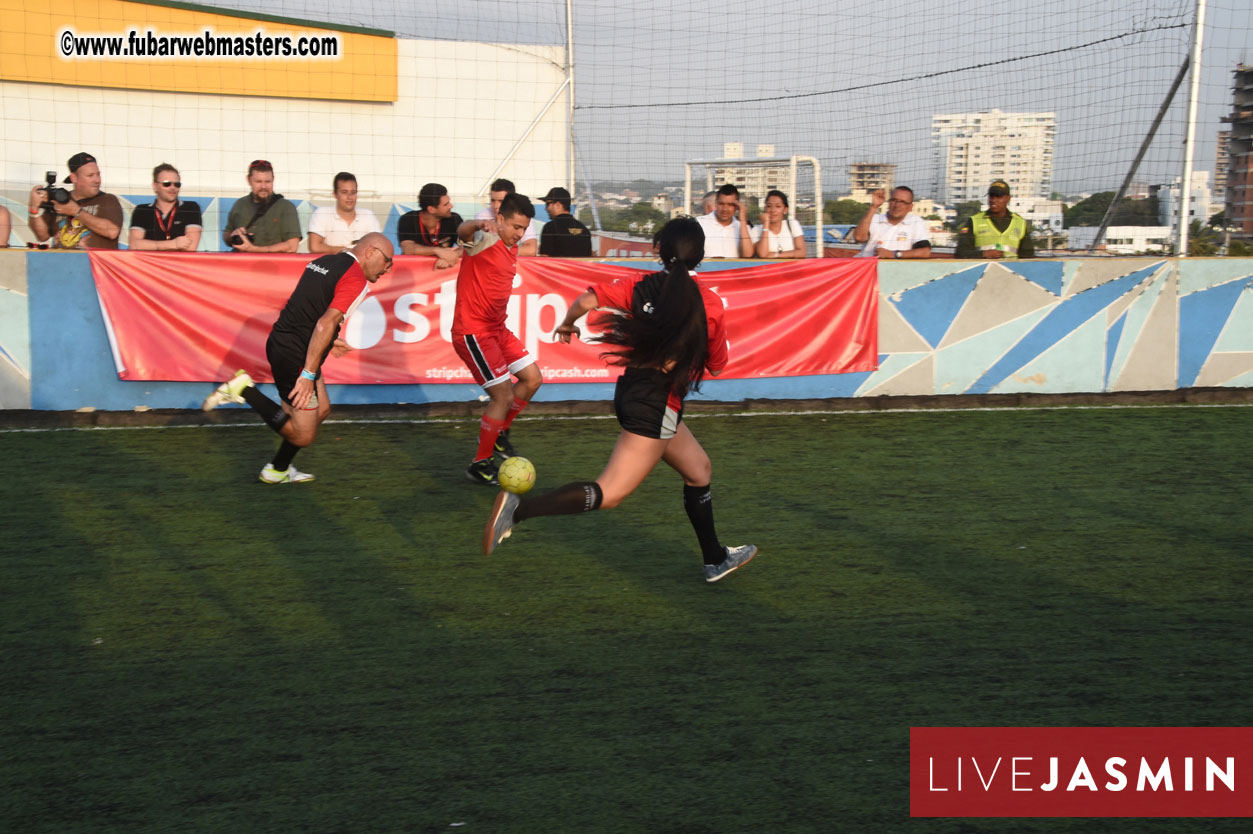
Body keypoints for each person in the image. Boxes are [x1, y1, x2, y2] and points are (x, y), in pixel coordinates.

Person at [484, 217, 757, 583]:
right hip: (656, 405)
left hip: (633, 393)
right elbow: (719, 367)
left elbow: (587, 299)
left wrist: (567, 323)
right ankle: (518, 510)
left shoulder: (641, 285)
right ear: (701, 255)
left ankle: (715, 559)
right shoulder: (710, 304)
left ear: (660, 250)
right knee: (609, 493)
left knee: (699, 470)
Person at [201, 233, 395, 483]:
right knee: (303, 435)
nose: (388, 269)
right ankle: (244, 390)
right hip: (296, 355)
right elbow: (325, 323)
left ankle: (277, 470)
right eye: (387, 261)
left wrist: (329, 342)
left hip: (290, 345)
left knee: (321, 410)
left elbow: (309, 309)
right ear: (370, 252)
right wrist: (307, 374)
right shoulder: (356, 278)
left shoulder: (325, 261)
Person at [455, 192, 543, 485]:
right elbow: (462, 232)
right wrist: (478, 225)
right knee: (503, 396)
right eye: (516, 227)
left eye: (524, 228)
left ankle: (500, 432)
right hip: (474, 332)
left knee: (533, 379)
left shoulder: (510, 245)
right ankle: (480, 464)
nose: (519, 234)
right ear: (500, 219)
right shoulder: (485, 239)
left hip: (497, 330)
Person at [27, 152, 122, 249]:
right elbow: (42, 236)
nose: (97, 180)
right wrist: (33, 209)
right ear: (74, 178)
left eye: (98, 174)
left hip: (92, 259)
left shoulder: (108, 199)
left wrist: (77, 211)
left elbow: (112, 232)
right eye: (90, 175)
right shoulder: (59, 199)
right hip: (59, 258)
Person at [223, 160, 301, 253]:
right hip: (240, 261)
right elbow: (227, 234)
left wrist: (254, 250)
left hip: (271, 262)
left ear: (273, 180)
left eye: (268, 181)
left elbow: (292, 246)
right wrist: (233, 235)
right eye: (258, 182)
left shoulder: (286, 207)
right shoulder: (239, 204)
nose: (263, 186)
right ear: (249, 180)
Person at [127, 164, 203, 251]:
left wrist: (150, 245)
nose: (173, 188)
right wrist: (174, 244)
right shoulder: (142, 210)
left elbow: (190, 247)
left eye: (177, 184)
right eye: (167, 184)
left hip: (178, 260)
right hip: (150, 260)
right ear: (155, 186)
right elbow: (134, 245)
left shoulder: (190, 208)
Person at [956, 180, 1035, 259]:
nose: (993, 200)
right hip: (983, 266)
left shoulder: (1019, 222)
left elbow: (1028, 254)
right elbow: (961, 252)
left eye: (999, 197)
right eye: (991, 196)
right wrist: (983, 254)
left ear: (1008, 199)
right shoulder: (974, 221)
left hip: (1011, 266)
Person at [307, 172, 381, 254]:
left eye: (353, 192)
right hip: (332, 262)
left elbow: (378, 248)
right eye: (344, 192)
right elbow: (314, 247)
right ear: (335, 194)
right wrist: (346, 251)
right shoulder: (322, 213)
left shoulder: (368, 216)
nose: (349, 197)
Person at [396, 182, 464, 268]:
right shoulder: (408, 219)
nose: (451, 206)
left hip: (443, 270)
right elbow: (408, 249)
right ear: (431, 209)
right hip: (414, 270)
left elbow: (468, 247)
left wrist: (451, 255)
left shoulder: (454, 219)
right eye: (446, 204)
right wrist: (437, 250)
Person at [853, 186, 932, 259]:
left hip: (896, 268)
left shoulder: (915, 221)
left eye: (903, 202)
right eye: (894, 200)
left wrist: (894, 254)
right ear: (889, 202)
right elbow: (859, 238)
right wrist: (874, 207)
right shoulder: (874, 218)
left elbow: (925, 252)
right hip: (870, 267)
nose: (897, 205)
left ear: (910, 207)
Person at [475, 178, 538, 256]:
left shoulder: (523, 217)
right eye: (493, 200)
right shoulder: (482, 216)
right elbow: (478, 248)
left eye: (501, 201)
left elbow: (531, 250)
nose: (495, 206)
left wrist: (501, 252)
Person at [696, 184, 753, 258]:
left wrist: (742, 220)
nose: (725, 209)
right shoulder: (699, 223)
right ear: (716, 203)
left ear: (737, 206)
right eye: (721, 204)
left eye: (730, 204)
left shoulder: (743, 228)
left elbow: (747, 255)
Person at [538, 186, 593, 257]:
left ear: (558, 205)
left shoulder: (550, 228)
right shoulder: (584, 229)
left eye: (547, 204)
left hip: (557, 265)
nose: (546, 208)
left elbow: (544, 259)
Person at [751, 189, 806, 258]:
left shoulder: (792, 224)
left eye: (778, 206)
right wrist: (766, 225)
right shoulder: (756, 230)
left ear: (785, 210)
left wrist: (776, 255)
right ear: (765, 208)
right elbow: (763, 254)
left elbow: (801, 252)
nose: (773, 210)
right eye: (769, 206)